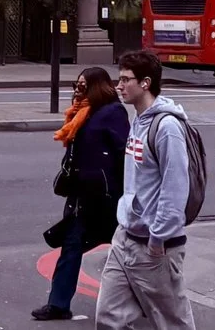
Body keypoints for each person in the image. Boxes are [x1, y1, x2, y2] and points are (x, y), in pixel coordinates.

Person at [98, 50, 194, 330]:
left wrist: (157, 239)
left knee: (172, 323)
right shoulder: (138, 120)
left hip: (155, 245)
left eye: (125, 80)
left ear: (145, 83)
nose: (119, 86)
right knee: (108, 317)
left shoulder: (167, 128)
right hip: (126, 238)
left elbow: (175, 188)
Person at [34, 66, 125, 322]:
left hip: (105, 196)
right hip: (81, 194)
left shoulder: (112, 112)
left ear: (97, 86)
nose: (77, 90)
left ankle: (144, 300)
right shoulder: (81, 113)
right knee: (71, 245)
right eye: (76, 84)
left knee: (124, 250)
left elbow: (123, 154)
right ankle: (58, 304)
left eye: (83, 85)